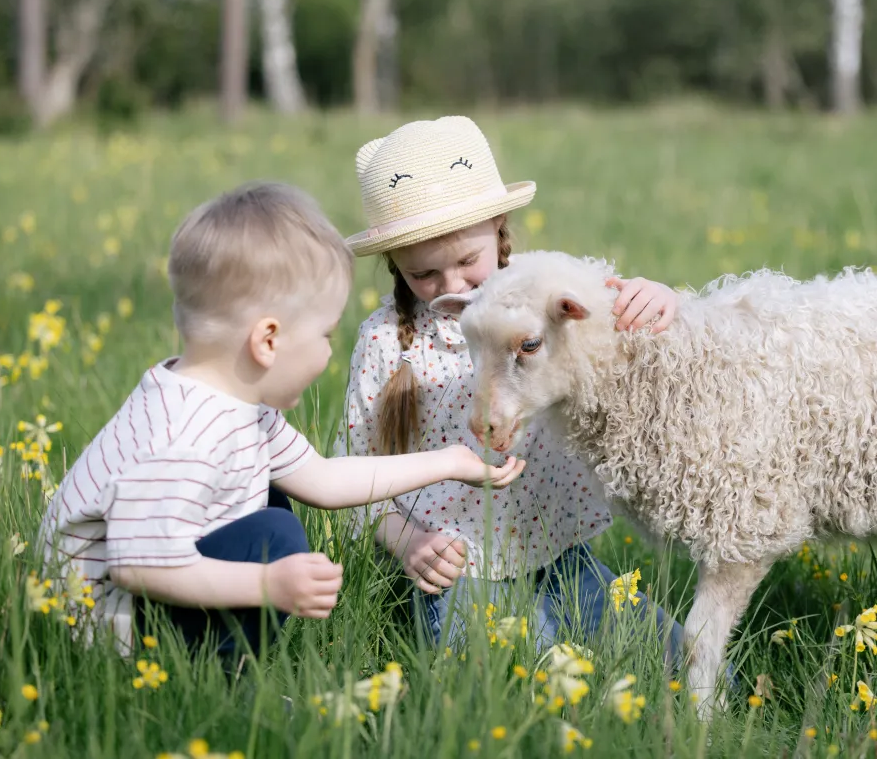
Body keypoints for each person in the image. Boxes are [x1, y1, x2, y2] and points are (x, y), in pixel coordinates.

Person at [37, 181, 526, 656]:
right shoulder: (184, 431)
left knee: (273, 492)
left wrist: (451, 461)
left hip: (150, 600)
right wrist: (268, 582)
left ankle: (220, 667)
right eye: (325, 336)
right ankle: (216, 681)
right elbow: (138, 566)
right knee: (276, 536)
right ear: (267, 340)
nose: (328, 353)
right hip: (104, 633)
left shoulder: (238, 408)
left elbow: (324, 481)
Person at [339, 116, 684, 663]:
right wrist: (411, 545)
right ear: (395, 264)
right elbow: (354, 477)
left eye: (467, 262)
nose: (451, 286)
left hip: (563, 557)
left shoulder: (544, 290)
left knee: (685, 667)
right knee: (520, 693)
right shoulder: (386, 342)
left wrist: (657, 296)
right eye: (424, 274)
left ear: (499, 227)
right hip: (458, 567)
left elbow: (615, 312)